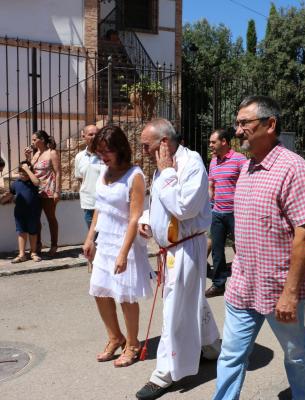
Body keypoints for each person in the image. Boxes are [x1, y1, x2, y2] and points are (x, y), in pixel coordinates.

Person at [213, 96, 305, 400]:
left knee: (295, 352)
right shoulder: (246, 169)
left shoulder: (293, 168)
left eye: (244, 123)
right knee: (231, 355)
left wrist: (290, 293)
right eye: (237, 123)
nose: (238, 129)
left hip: (279, 289)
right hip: (243, 284)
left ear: (270, 125)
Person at [136, 118, 220, 400]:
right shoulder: (164, 166)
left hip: (186, 248)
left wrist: (167, 173)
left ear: (163, 143)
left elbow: (185, 207)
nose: (143, 151)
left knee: (174, 309)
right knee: (189, 299)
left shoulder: (191, 163)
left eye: (146, 146)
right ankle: (211, 347)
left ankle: (165, 374)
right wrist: (148, 220)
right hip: (171, 249)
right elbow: (158, 202)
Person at [82, 126, 153, 368]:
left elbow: (134, 217)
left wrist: (123, 253)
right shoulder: (104, 170)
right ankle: (115, 337)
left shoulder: (135, 175)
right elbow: (99, 208)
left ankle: (132, 344)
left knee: (125, 296)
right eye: (99, 151)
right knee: (99, 291)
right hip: (105, 241)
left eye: (106, 151)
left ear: (120, 149)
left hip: (126, 242)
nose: (102, 155)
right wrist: (90, 238)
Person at [205, 128, 246, 298]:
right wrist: (209, 205)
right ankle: (218, 284)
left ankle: (248, 282)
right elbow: (211, 186)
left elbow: (248, 184)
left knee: (243, 248)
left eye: (213, 142)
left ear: (224, 142)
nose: (210, 145)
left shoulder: (239, 160)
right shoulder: (214, 162)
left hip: (236, 213)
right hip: (217, 212)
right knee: (217, 250)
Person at [26, 130, 60, 256]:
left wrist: (57, 191)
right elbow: (30, 171)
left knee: (51, 218)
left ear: (42, 140)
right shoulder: (35, 154)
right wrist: (28, 158)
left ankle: (54, 245)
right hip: (35, 191)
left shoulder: (52, 153)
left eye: (35, 139)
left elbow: (58, 172)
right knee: (36, 219)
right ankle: (38, 245)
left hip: (48, 190)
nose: (32, 142)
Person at [10, 161, 42, 263]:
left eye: (25, 173)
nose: (23, 175)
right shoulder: (15, 183)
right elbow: (10, 194)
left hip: (33, 212)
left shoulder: (33, 182)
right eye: (21, 173)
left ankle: (33, 253)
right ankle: (22, 254)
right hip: (19, 212)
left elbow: (37, 182)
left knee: (33, 232)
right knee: (21, 232)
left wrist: (28, 170)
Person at [74, 125, 102, 228]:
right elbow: (80, 178)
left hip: (106, 203)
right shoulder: (79, 157)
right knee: (93, 238)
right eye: (91, 134)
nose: (94, 137)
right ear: (83, 136)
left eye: (97, 134)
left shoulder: (106, 155)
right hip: (89, 203)